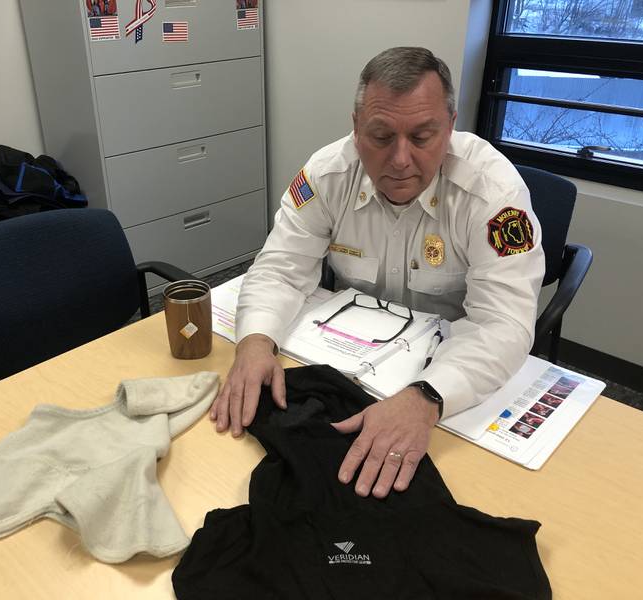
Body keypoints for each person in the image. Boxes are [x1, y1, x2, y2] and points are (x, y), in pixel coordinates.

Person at [210, 47, 545, 498]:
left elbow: (502, 322)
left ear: (450, 126)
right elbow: (280, 268)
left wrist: (426, 398)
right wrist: (253, 342)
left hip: (449, 380)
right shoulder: (328, 175)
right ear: (356, 127)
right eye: (381, 136)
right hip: (350, 368)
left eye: (423, 136)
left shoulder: (492, 194)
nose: (400, 159)